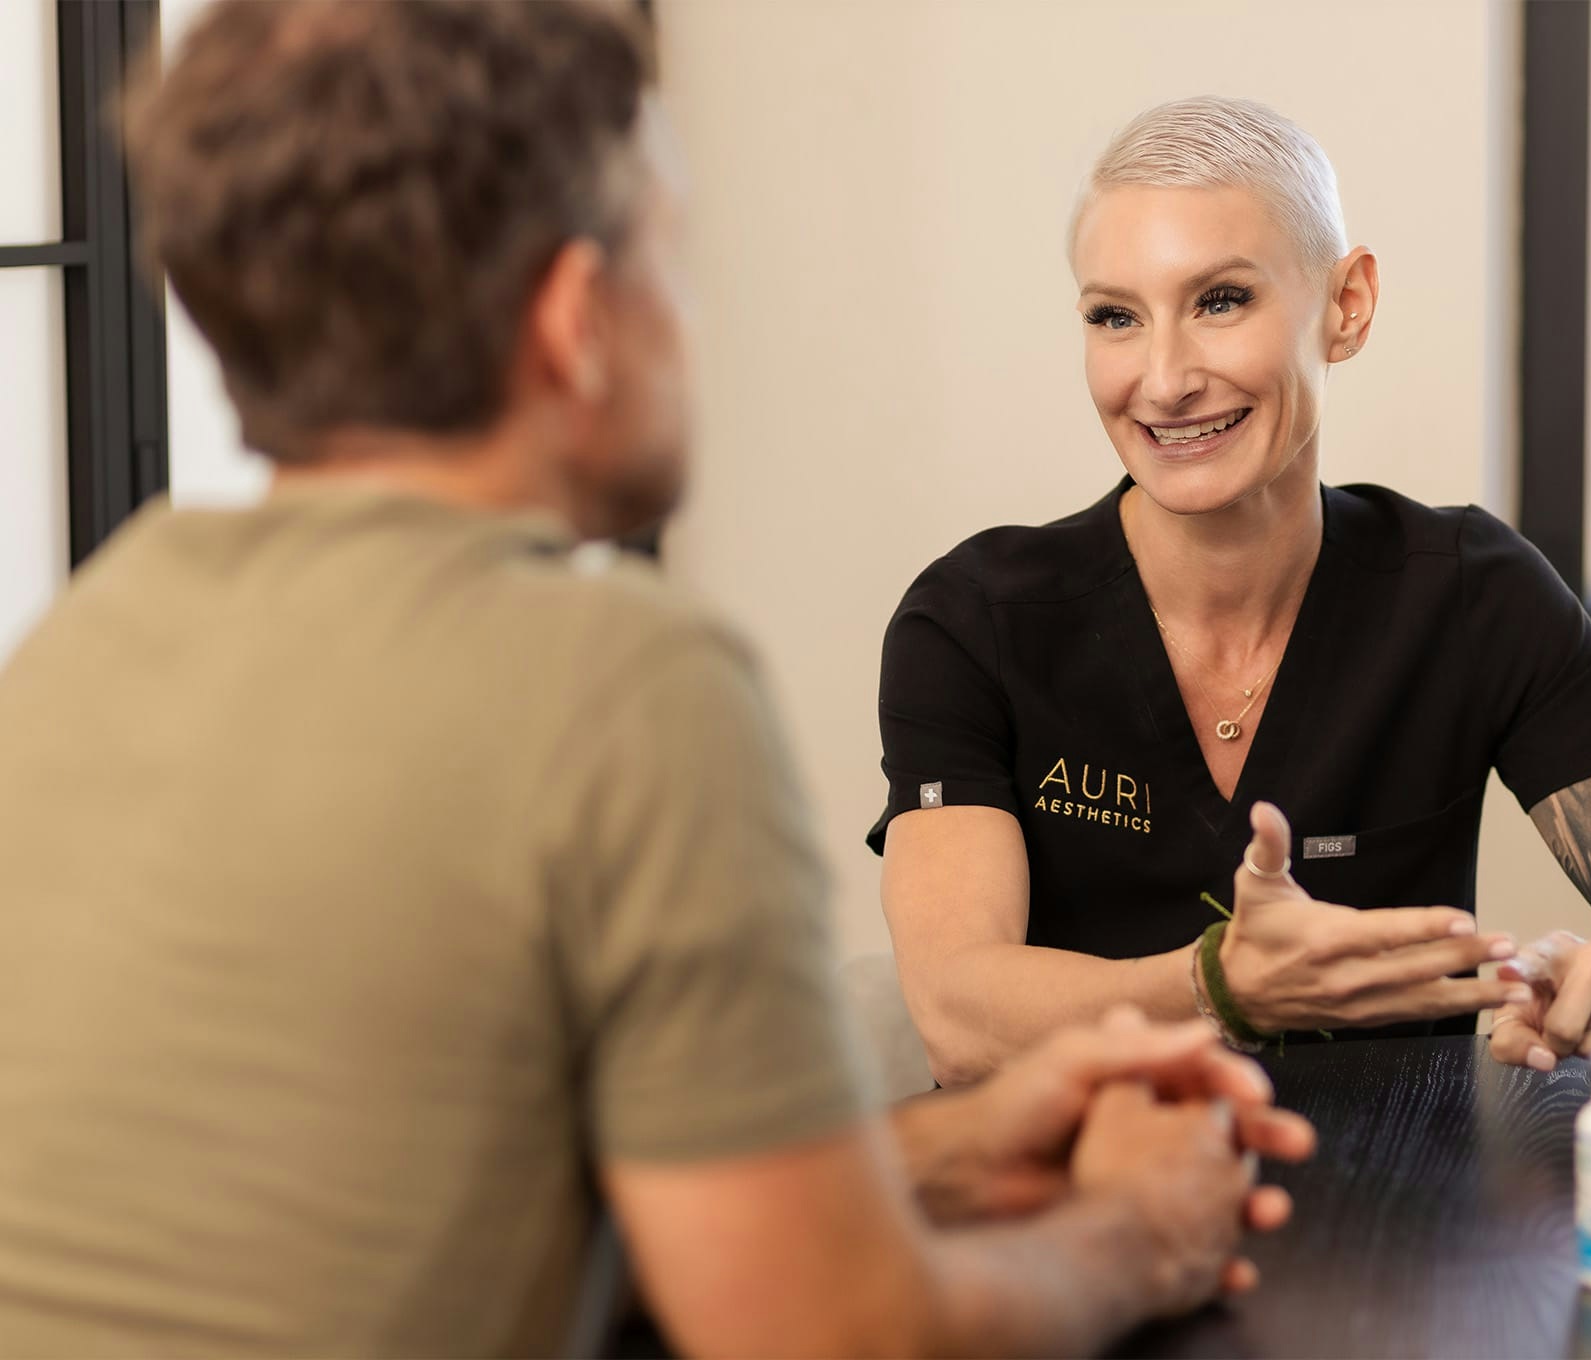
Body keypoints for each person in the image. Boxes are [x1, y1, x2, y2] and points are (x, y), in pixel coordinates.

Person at [0, 10, 1316, 1356]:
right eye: (673, 261)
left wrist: (938, 1150)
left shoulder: (75, 650)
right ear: (579, 320)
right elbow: (834, 1335)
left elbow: (360, 1196)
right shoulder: (622, 688)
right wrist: (1141, 1229)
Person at [869, 96, 1591, 1086]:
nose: (1165, 379)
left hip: (1394, 1212)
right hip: (1071, 1209)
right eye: (1115, 317)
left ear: (1346, 306)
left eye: (1220, 300)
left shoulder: (1477, 598)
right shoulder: (973, 622)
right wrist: (1220, 986)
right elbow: (959, 1016)